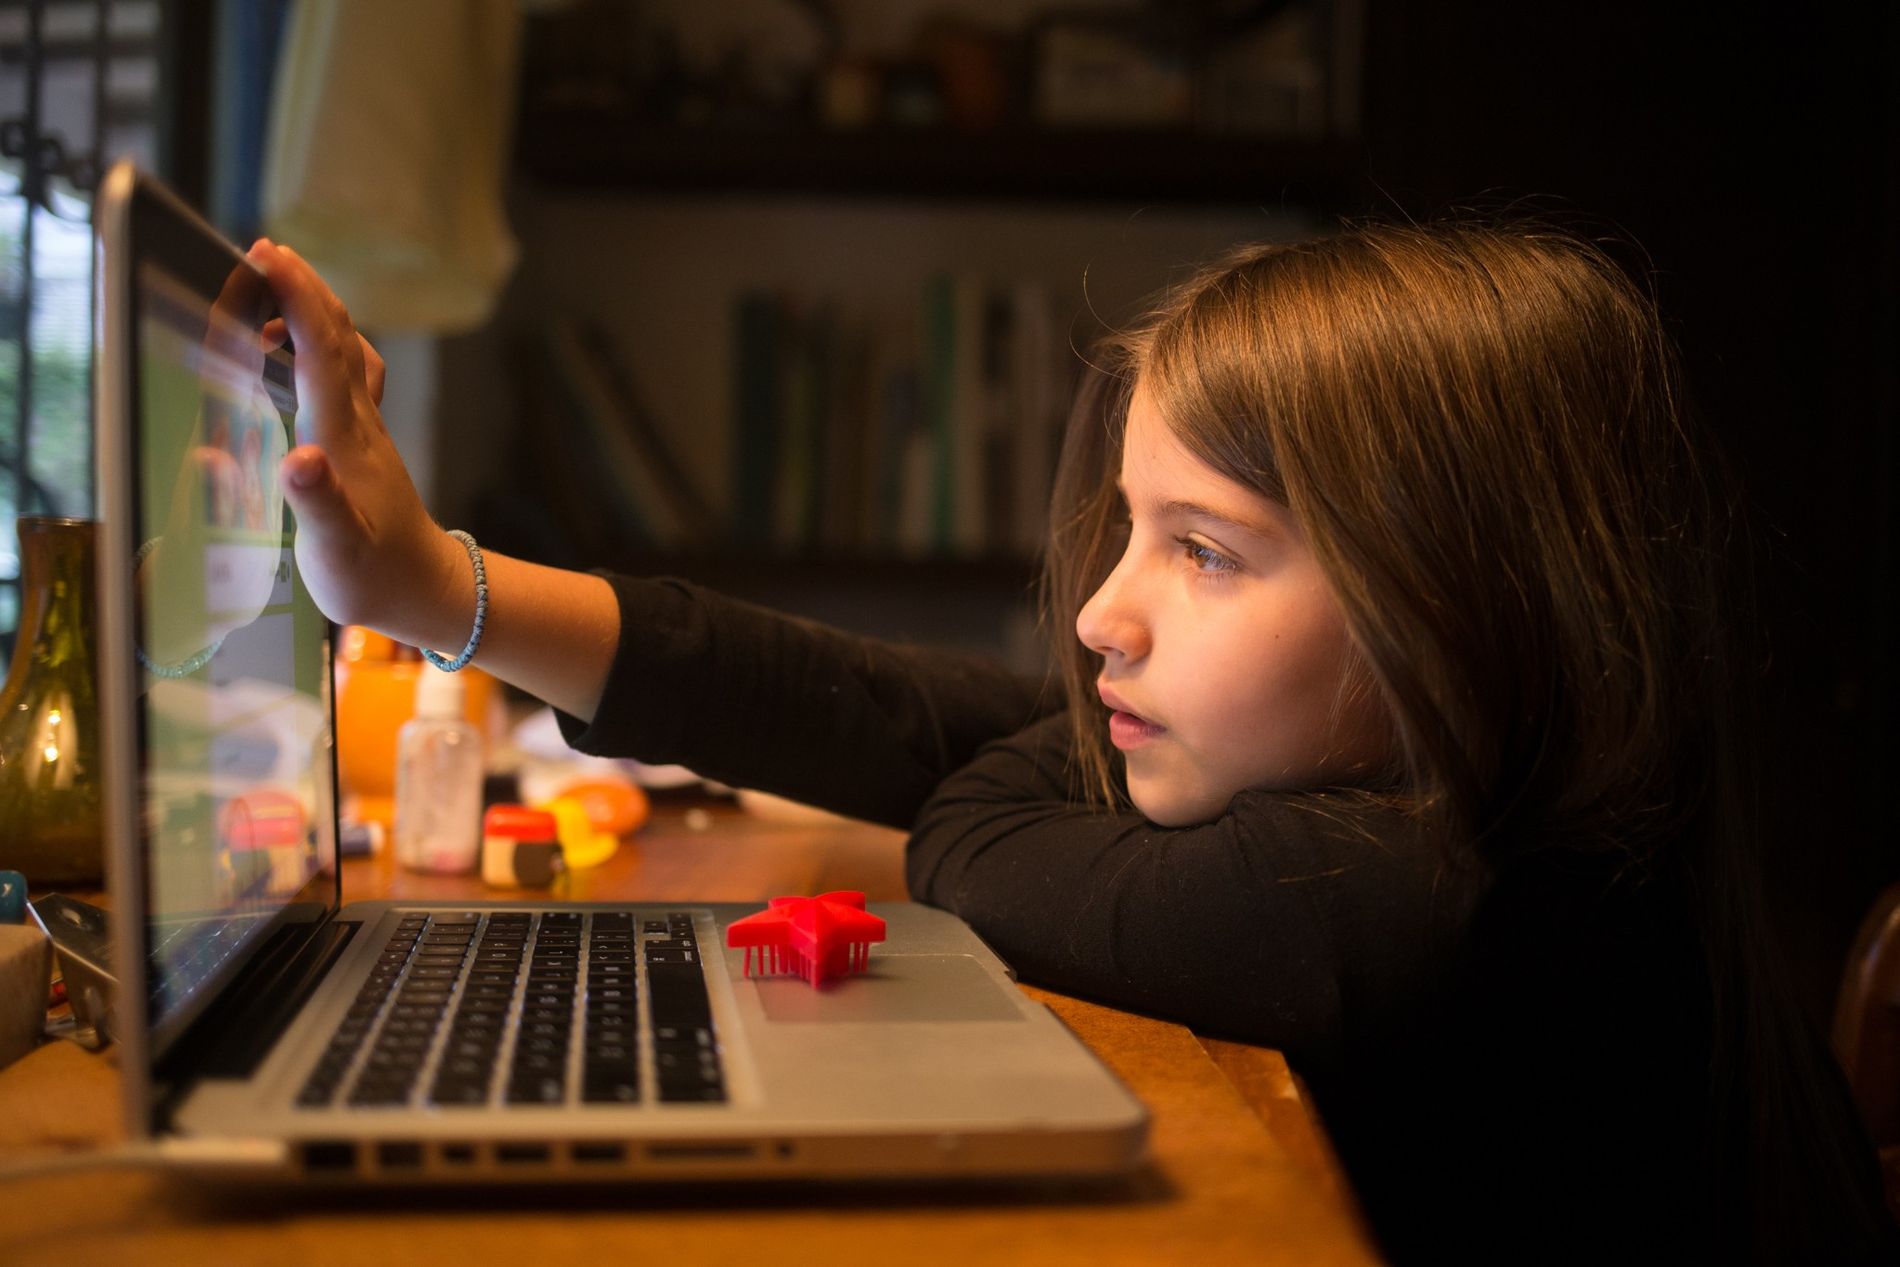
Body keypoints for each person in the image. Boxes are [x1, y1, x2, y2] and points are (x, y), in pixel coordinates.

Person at [251, 222, 1892, 1262]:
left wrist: (982, 801)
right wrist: (433, 583)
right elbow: (901, 713)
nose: (1104, 613)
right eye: (1129, 530)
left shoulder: (1415, 909)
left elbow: (976, 819)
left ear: (1466, 599)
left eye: (1207, 548)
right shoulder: (1444, 797)